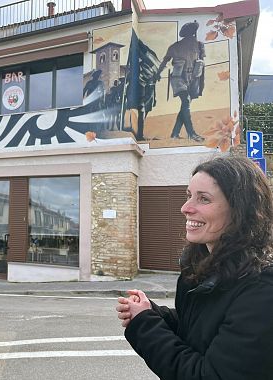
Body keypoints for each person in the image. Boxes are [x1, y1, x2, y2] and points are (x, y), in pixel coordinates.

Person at [116, 155, 273, 379]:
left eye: (204, 199)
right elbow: (200, 330)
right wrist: (152, 313)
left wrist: (145, 325)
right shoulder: (200, 269)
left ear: (240, 211)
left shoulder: (262, 290)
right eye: (189, 195)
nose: (185, 208)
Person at [155, 21, 205, 142]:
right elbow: (165, 62)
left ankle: (175, 133)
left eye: (192, 32)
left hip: (193, 79)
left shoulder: (200, 45)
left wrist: (200, 83)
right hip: (179, 78)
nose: (191, 34)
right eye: (190, 32)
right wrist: (157, 74)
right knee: (186, 101)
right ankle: (191, 133)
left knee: (184, 106)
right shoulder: (175, 46)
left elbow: (202, 64)